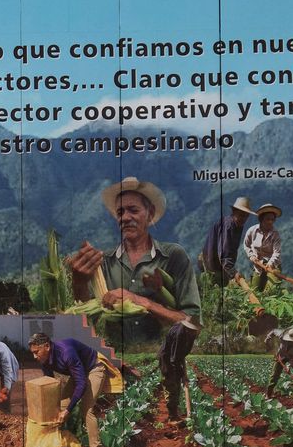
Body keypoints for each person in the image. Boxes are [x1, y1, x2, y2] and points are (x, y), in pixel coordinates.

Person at [64, 176, 201, 421]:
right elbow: (89, 317)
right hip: (118, 369)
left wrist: (142, 301)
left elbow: (191, 321)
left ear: (150, 214)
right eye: (120, 212)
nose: (125, 217)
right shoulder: (103, 264)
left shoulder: (173, 256)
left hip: (163, 365)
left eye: (133, 210)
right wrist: (79, 282)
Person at [29, 333, 111, 447]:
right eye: (33, 353)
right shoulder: (44, 359)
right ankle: (58, 441)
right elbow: (49, 383)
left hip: (93, 368)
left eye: (36, 352)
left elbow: (81, 383)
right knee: (59, 404)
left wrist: (67, 411)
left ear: (46, 346)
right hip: (79, 373)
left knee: (87, 409)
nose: (34, 356)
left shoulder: (66, 353)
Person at [201, 196, 254, 280]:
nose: (243, 218)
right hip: (211, 262)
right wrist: (233, 273)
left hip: (219, 264)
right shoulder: (228, 225)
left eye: (246, 216)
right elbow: (224, 253)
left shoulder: (238, 225)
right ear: (234, 212)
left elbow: (231, 250)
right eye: (241, 215)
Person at [243, 202, 283, 292]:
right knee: (255, 291)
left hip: (273, 265)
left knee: (271, 291)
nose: (270, 222)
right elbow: (246, 245)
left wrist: (270, 264)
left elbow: (277, 252)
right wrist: (251, 256)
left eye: (272, 219)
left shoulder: (275, 234)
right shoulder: (252, 231)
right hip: (259, 265)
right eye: (267, 219)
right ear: (261, 219)